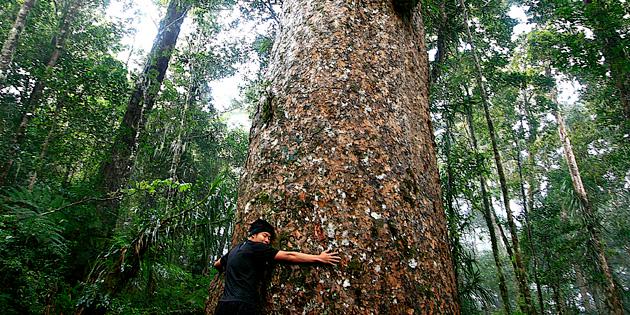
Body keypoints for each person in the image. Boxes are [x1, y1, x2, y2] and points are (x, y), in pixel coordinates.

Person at [213, 219, 341, 315]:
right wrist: (319, 258)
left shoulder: (235, 250)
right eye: (264, 235)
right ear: (253, 235)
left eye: (269, 237)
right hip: (243, 305)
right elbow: (289, 255)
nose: (267, 240)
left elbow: (217, 264)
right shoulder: (256, 248)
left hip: (224, 305)